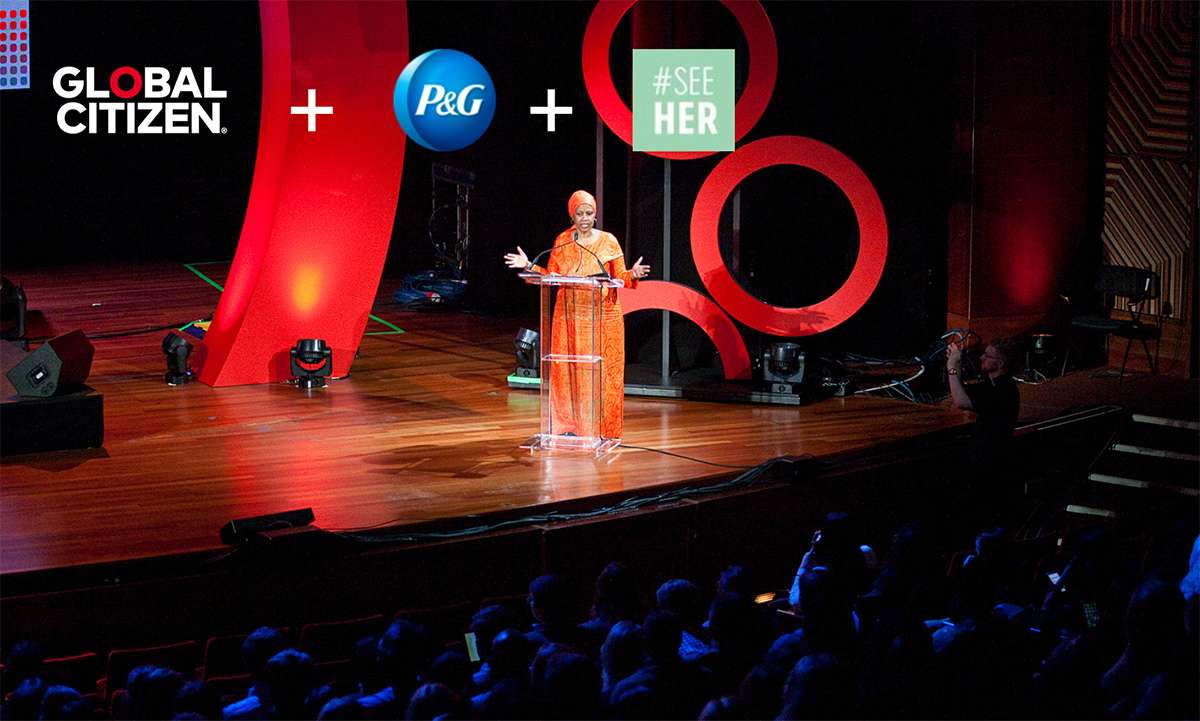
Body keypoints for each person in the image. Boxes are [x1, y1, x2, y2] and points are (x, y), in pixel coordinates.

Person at [504, 190, 649, 440]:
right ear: (572, 216)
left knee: (600, 375)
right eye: (579, 214)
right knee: (567, 372)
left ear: (595, 215)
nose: (585, 218)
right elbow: (550, 276)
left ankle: (602, 431)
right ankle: (570, 427)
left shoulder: (608, 242)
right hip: (568, 319)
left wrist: (633, 274)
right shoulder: (562, 241)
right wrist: (528, 266)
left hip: (602, 320)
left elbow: (620, 277)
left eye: (589, 213)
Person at [945, 337, 1021, 524]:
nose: (982, 358)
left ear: (1000, 363)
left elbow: (962, 402)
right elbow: (963, 393)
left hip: (989, 463)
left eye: (987, 356)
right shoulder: (995, 384)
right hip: (984, 459)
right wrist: (956, 366)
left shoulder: (1003, 390)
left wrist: (952, 369)